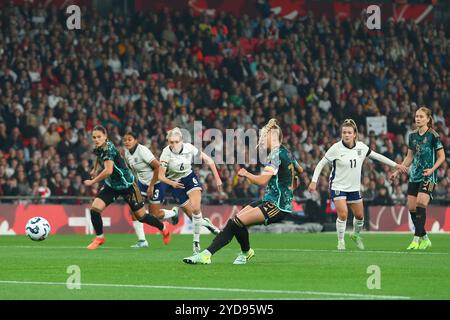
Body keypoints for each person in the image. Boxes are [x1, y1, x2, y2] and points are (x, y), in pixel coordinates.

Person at [183, 118, 302, 265]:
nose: (262, 140)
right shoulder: (286, 152)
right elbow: (299, 170)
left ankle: (208, 255)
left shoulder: (275, 155)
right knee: (235, 221)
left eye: (264, 136)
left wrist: (246, 174)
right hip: (270, 199)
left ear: (273, 137)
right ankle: (242, 252)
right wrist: (292, 182)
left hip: (277, 205)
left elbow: (262, 181)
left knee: (237, 221)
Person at [308, 119, 407, 250]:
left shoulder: (361, 147)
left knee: (360, 217)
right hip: (338, 185)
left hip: (354, 187)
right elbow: (321, 164)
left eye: (349, 132)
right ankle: (341, 242)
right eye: (344, 132)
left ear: (355, 134)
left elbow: (377, 156)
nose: (346, 135)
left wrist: (396, 165)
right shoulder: (336, 148)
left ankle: (355, 235)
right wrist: (314, 181)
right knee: (343, 214)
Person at [83, 125, 170, 250]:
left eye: (99, 137)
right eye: (94, 137)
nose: (96, 139)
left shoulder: (109, 149)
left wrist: (92, 182)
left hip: (127, 185)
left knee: (141, 216)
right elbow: (98, 156)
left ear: (105, 136)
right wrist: (95, 168)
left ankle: (164, 228)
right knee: (95, 210)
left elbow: (108, 170)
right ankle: (100, 237)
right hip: (112, 186)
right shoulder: (99, 147)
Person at [155, 127, 222, 254]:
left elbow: (209, 160)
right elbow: (160, 176)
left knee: (197, 209)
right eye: (171, 142)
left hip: (189, 178)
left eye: (176, 141)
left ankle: (196, 242)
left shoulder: (189, 148)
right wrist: (172, 183)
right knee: (194, 217)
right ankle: (207, 223)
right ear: (168, 142)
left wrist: (217, 178)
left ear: (181, 140)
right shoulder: (165, 153)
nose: (174, 145)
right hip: (176, 183)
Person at [390, 107, 445, 250]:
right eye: (416, 116)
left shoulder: (433, 135)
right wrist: (398, 171)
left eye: (421, 116)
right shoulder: (412, 135)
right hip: (414, 175)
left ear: (428, 119)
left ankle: (415, 239)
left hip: (428, 176)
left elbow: (442, 156)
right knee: (412, 208)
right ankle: (425, 238)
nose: (418, 119)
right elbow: (409, 156)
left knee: (421, 203)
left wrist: (432, 169)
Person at [123, 132, 177, 248]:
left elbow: (158, 167)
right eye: (125, 140)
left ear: (136, 140)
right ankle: (142, 241)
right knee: (134, 211)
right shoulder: (127, 153)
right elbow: (131, 170)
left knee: (154, 215)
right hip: (142, 184)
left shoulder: (142, 151)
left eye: (130, 139)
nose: (127, 142)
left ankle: (173, 213)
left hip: (156, 183)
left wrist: (151, 186)